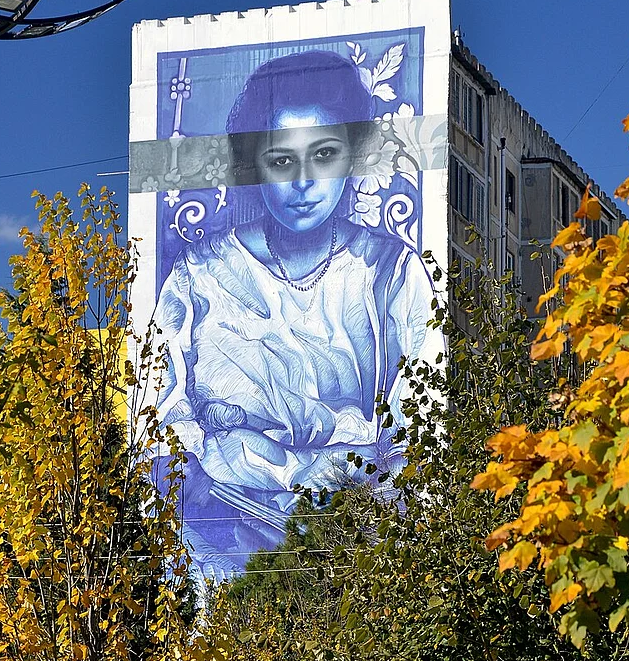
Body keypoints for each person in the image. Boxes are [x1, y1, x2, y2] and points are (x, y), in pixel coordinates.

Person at [154, 49, 438, 574]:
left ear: (352, 156)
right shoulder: (198, 278)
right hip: (217, 560)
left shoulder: (391, 275)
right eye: (282, 159)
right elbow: (161, 434)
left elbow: (424, 435)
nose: (304, 180)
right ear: (255, 164)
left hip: (354, 561)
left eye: (324, 154)